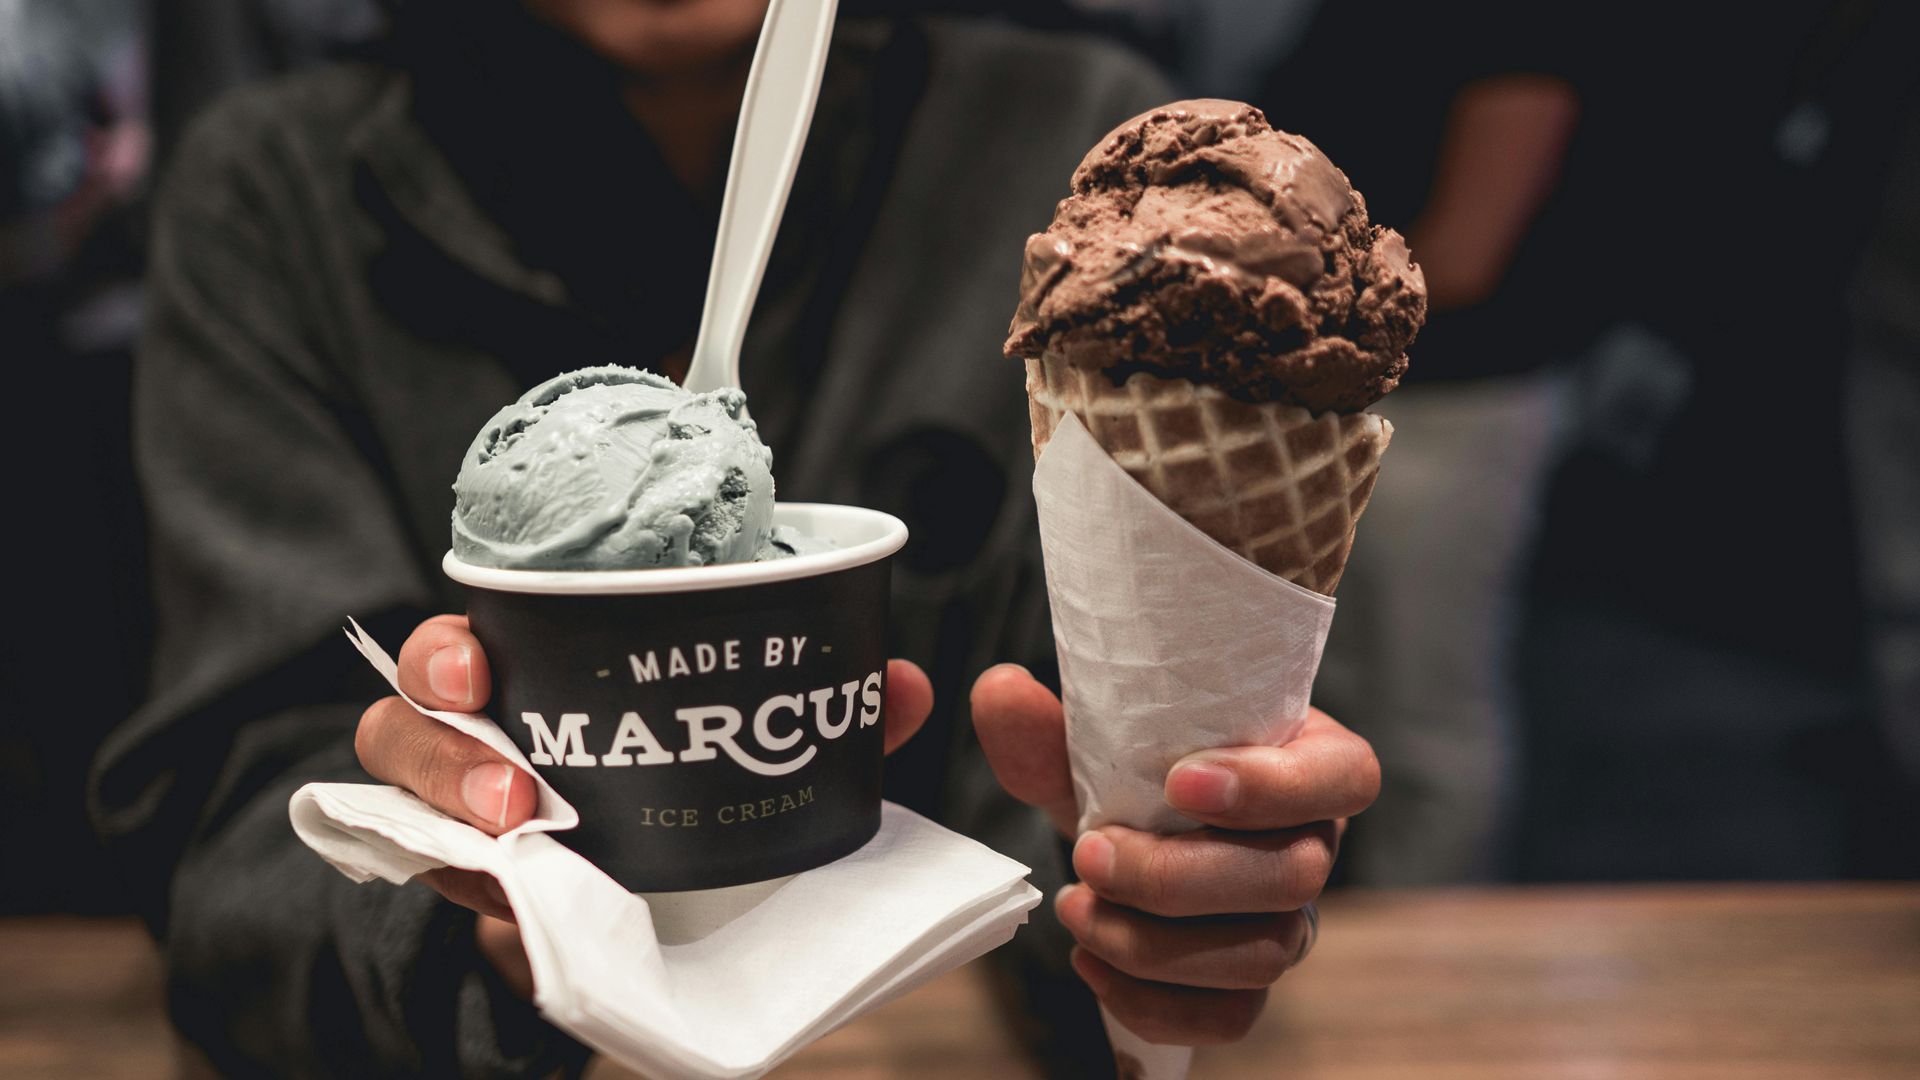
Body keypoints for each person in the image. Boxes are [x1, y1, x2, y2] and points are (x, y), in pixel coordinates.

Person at [90, 0, 1383, 1073]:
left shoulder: (1081, 156)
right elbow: (226, 856)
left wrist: (1152, 846)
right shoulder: (276, 192)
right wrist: (483, 923)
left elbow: (1127, 775)